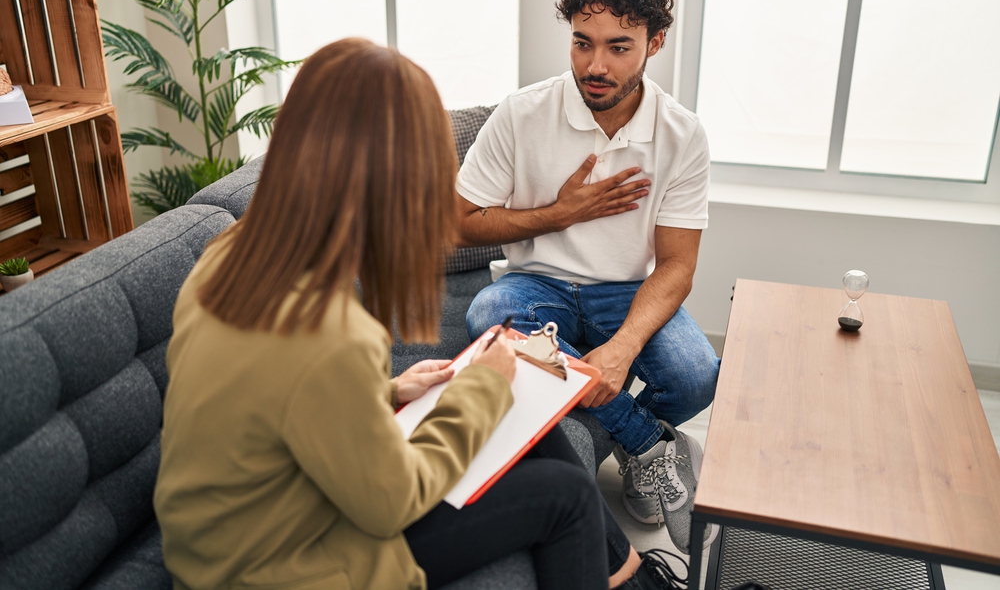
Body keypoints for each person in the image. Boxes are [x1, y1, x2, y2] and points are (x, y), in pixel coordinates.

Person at [154, 38, 686, 590]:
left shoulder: (231, 250)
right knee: (566, 495)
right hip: (282, 565)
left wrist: (386, 392)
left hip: (245, 532)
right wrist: (477, 391)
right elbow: (388, 502)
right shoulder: (330, 331)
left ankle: (636, 582)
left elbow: (273, 397)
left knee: (529, 417)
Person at [457, 0, 721, 553]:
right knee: (488, 320)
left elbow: (677, 265)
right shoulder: (523, 113)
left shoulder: (682, 134)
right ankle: (649, 447)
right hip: (534, 287)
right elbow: (459, 223)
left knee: (697, 376)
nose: (595, 65)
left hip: (623, 291)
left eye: (618, 47)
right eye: (582, 43)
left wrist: (621, 349)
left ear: (654, 43)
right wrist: (559, 214)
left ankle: (629, 439)